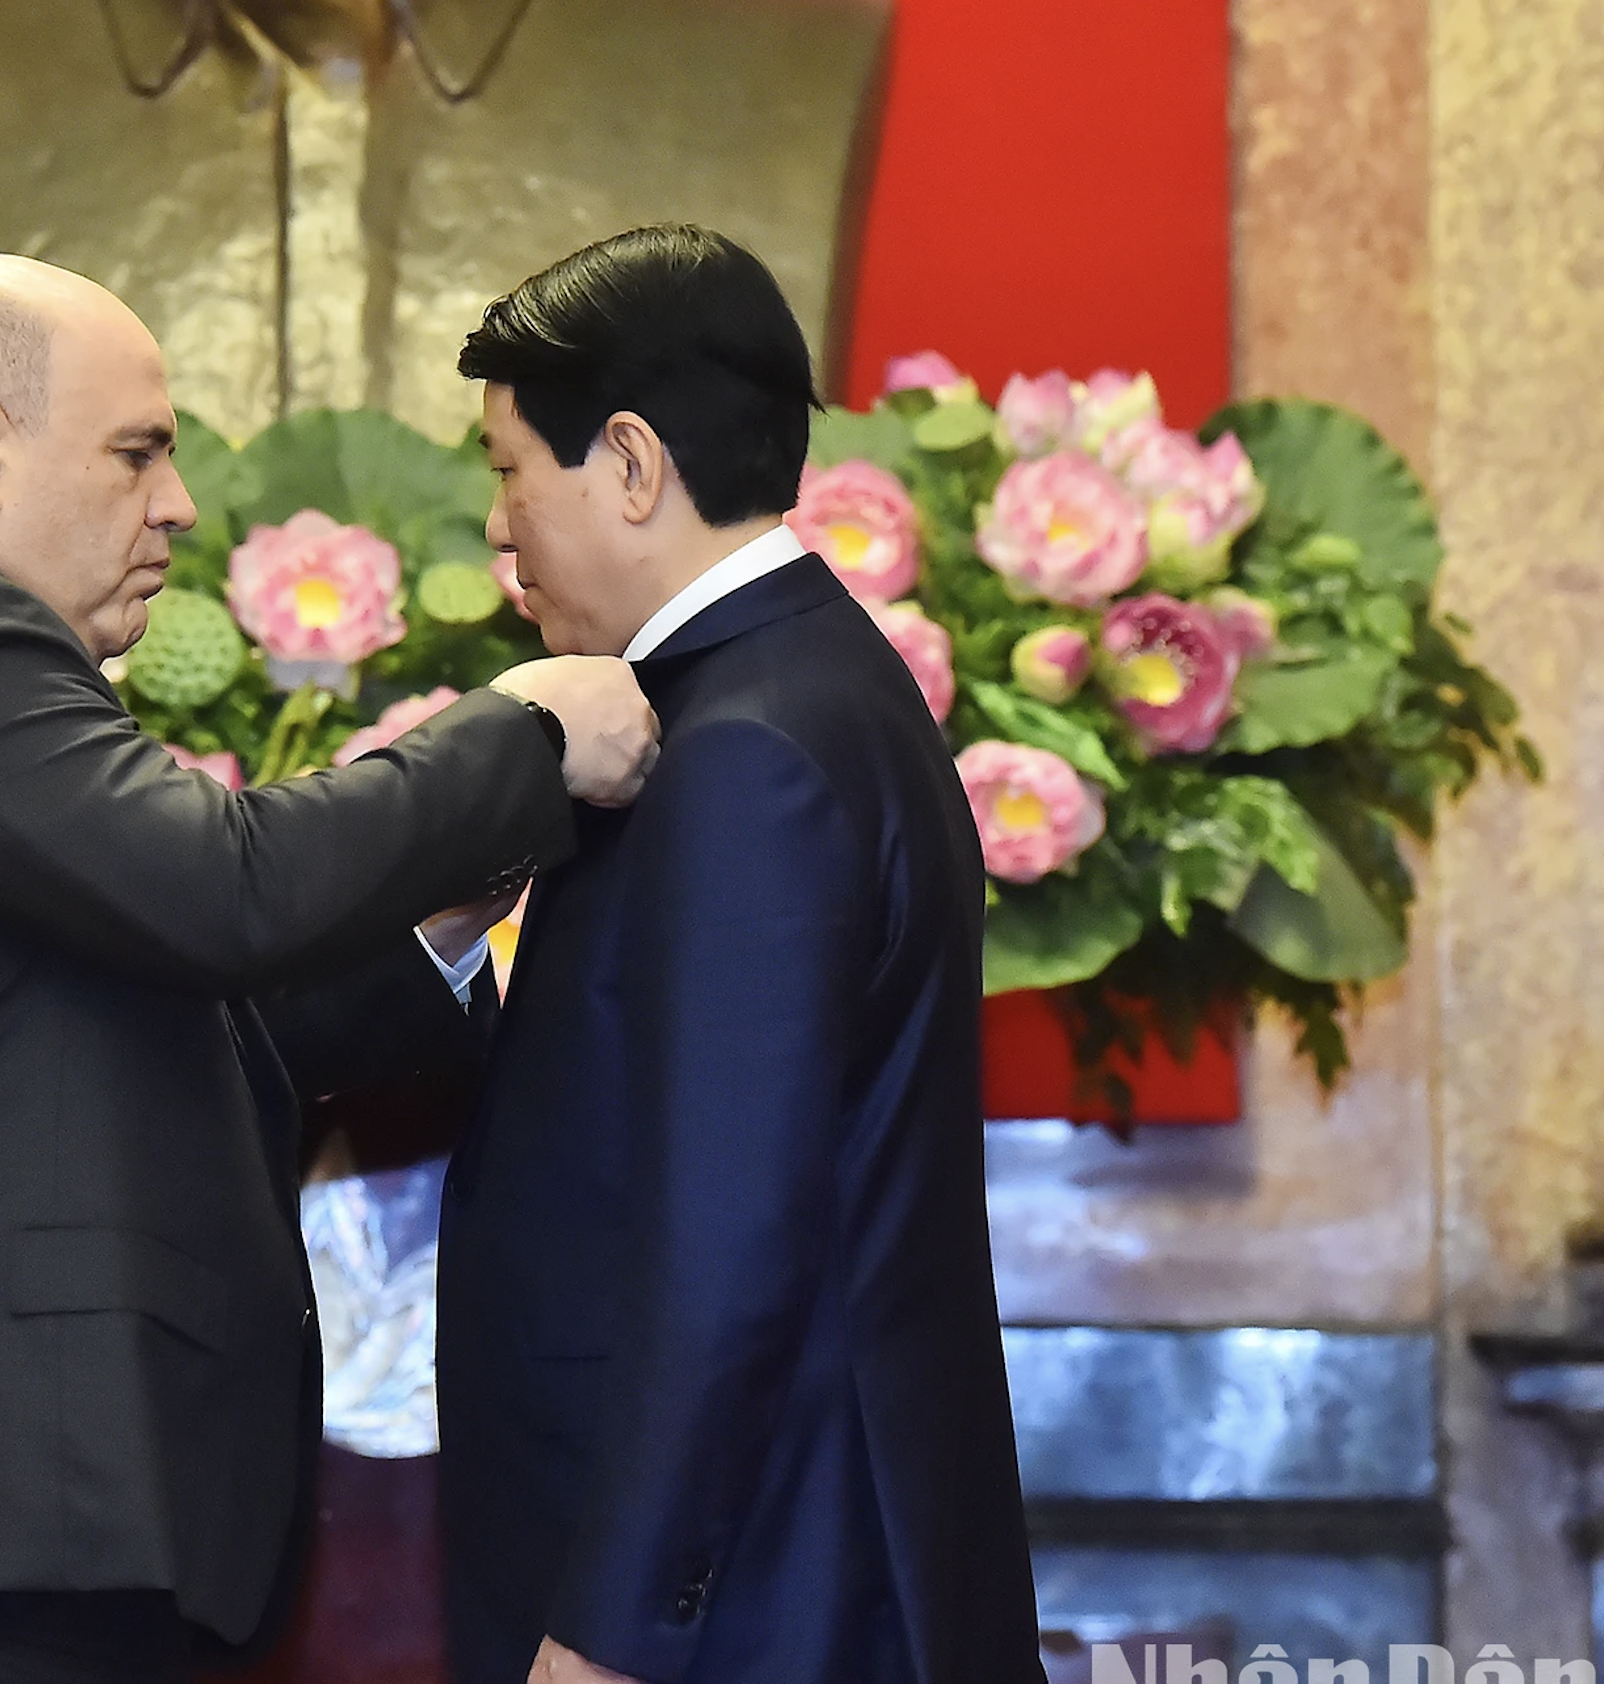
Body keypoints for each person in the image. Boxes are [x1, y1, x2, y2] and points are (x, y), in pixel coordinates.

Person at [0, 254, 661, 1684]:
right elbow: (220, 886)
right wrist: (522, 735)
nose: (176, 504)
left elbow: (201, 1014)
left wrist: (437, 916)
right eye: (135, 453)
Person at [434, 226, 1045, 1684]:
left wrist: (607, 1634)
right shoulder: (811, 683)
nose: (500, 528)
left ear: (631, 465)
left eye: (512, 471)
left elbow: (727, 1248)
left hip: (755, 1604)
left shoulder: (741, 754)